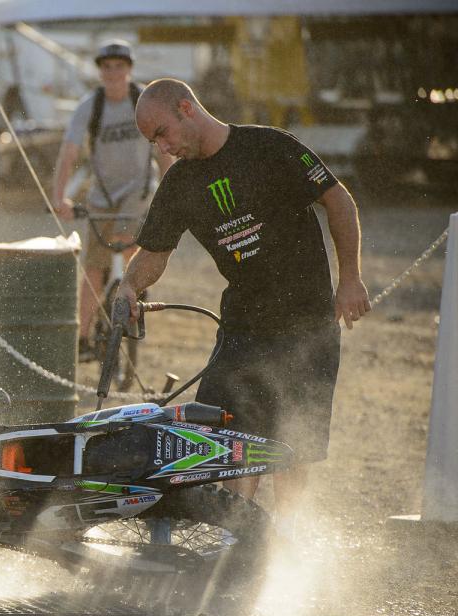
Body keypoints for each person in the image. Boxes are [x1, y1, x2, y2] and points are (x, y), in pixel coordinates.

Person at [119, 78, 370, 520]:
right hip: (242, 328)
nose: (162, 148)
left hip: (307, 324)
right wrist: (128, 287)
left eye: (162, 133)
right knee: (230, 442)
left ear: (186, 108)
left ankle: (285, 545)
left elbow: (339, 202)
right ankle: (235, 540)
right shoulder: (179, 184)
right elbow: (154, 252)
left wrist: (350, 278)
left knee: (292, 449)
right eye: (152, 141)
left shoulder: (270, 147)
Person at [52, 40, 173, 361]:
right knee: (93, 267)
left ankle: (133, 300)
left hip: (138, 192)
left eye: (120, 66)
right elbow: (69, 152)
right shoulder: (90, 106)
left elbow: (163, 148)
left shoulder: (143, 100)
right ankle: (82, 338)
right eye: (107, 67)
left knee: (128, 247)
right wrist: (59, 196)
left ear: (129, 69)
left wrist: (170, 189)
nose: (113, 72)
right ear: (100, 71)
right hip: (102, 196)